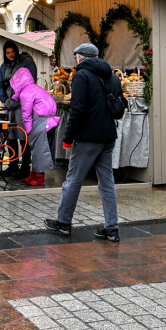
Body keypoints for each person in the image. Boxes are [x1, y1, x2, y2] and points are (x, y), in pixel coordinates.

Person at [46, 43, 122, 242]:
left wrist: (68, 138)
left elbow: (77, 110)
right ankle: (112, 229)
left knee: (73, 181)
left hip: (88, 137)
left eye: (76, 57)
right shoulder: (113, 76)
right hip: (108, 136)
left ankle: (63, 223)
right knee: (107, 183)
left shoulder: (82, 76)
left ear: (81, 58)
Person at [9, 66, 59, 187]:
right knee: (39, 149)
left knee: (38, 150)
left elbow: (26, 115)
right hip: (49, 120)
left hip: (39, 121)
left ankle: (40, 178)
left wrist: (28, 131)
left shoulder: (26, 92)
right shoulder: (35, 88)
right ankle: (33, 174)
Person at [0, 40, 37, 178]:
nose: (11, 54)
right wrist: (6, 101)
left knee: (23, 137)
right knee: (11, 137)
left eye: (12, 51)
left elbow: (30, 84)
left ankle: (25, 167)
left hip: (23, 107)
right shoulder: (3, 66)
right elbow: (0, 85)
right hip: (9, 107)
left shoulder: (27, 63)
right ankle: (12, 166)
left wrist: (17, 100)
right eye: (8, 52)